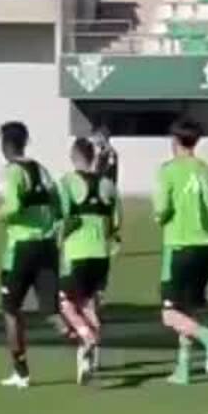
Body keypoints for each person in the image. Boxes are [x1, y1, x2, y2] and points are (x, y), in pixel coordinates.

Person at [0, 121, 63, 388]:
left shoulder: (12, 171)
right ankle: (86, 339)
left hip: (21, 249)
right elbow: (57, 201)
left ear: (6, 145)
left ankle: (21, 371)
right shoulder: (41, 169)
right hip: (48, 246)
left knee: (10, 309)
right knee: (52, 311)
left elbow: (14, 206)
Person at [153, 118, 208, 386]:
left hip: (178, 245)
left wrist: (161, 217)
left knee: (170, 313)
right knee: (188, 309)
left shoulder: (169, 171)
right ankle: (183, 367)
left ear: (175, 141)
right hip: (206, 247)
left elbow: (161, 209)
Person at [57, 137, 121, 383]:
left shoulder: (67, 184)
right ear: (93, 157)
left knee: (66, 304)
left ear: (74, 157)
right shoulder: (108, 186)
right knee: (90, 305)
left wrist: (59, 240)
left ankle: (87, 337)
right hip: (101, 254)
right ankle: (88, 361)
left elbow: (62, 219)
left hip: (77, 254)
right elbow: (116, 223)